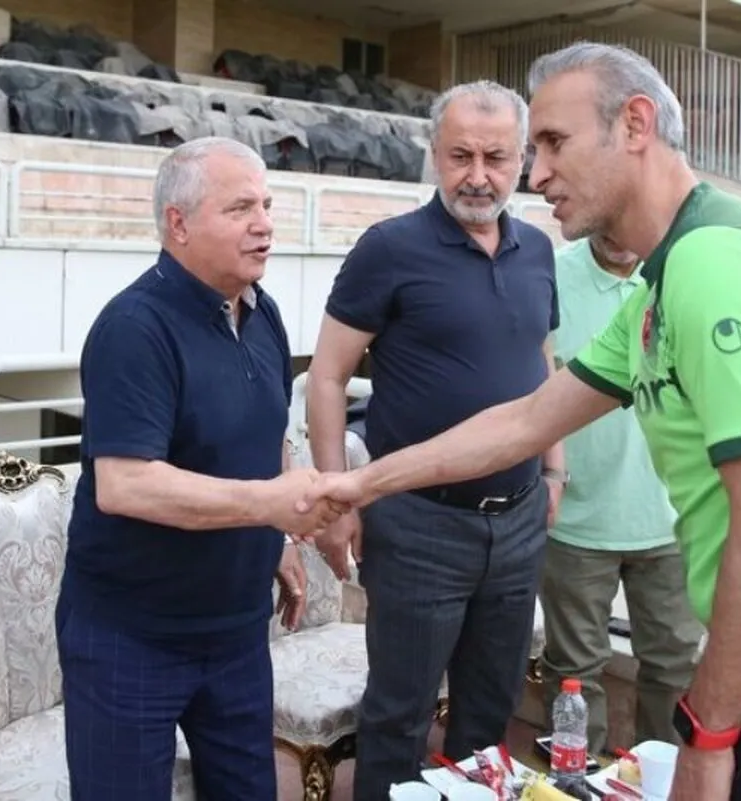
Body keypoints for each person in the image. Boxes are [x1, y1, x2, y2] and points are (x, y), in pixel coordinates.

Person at [301, 42, 741, 801]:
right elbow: (524, 420)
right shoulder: (667, 280)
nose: (536, 173)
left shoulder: (715, 264)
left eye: (554, 142)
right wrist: (356, 484)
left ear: (635, 125)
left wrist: (707, 735)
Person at [57, 136, 339, 801]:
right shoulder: (134, 328)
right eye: (240, 208)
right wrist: (268, 504)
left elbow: (266, 435)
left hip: (237, 631)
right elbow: (126, 485)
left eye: (266, 205)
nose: (264, 224)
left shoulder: (262, 312)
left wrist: (277, 537)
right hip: (132, 637)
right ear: (178, 224)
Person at [304, 81, 564, 799]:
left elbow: (541, 357)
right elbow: (326, 378)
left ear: (521, 159)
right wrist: (335, 502)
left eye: (495, 158)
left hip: (518, 521)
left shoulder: (539, 250)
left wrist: (554, 471)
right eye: (460, 156)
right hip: (417, 523)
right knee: (399, 717)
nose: (477, 176)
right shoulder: (388, 249)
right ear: (434, 154)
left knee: (490, 709)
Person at [541, 234, 703, 755]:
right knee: (572, 673)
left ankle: (663, 779)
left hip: (669, 521)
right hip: (575, 524)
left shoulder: (681, 278)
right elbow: (531, 392)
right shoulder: (549, 277)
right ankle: (574, 778)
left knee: (675, 666)